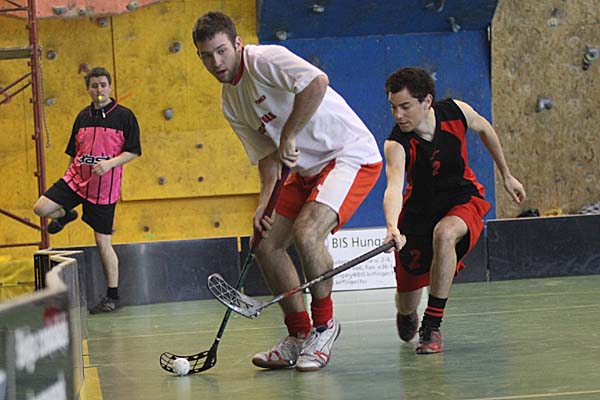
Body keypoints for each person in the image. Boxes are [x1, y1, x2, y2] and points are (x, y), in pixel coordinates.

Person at [192, 11, 382, 372]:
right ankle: (298, 334)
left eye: (221, 51)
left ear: (237, 44)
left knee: (307, 232)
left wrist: (290, 134)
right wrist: (263, 204)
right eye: (206, 56)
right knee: (265, 243)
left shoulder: (265, 59)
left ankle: (324, 327)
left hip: (348, 153)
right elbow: (267, 156)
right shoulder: (230, 101)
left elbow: (317, 83)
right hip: (304, 169)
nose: (216, 62)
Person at [382, 67, 526, 354]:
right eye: (393, 107)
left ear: (427, 101)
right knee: (406, 302)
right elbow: (393, 187)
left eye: (405, 106)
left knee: (445, 234)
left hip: (461, 198)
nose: (398, 115)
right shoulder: (396, 144)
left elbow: (485, 129)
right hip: (418, 213)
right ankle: (408, 313)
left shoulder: (456, 111)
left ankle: (432, 326)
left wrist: (506, 175)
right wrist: (391, 226)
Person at [33, 67, 142, 314]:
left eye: (103, 85)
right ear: (88, 89)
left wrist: (110, 163)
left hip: (104, 188)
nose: (99, 89)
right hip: (75, 180)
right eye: (94, 86)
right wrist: (65, 180)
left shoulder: (124, 116)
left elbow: (134, 150)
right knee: (41, 208)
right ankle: (66, 214)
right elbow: (73, 152)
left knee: (103, 241)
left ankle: (112, 297)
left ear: (110, 87)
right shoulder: (82, 116)